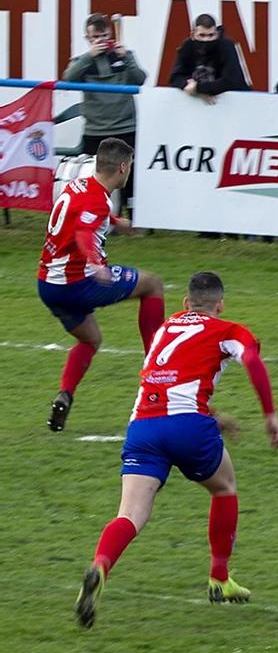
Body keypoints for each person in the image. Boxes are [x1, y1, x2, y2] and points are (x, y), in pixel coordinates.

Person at [72, 270, 278, 629]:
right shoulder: (229, 329)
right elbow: (252, 361)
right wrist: (270, 416)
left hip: (143, 426)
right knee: (224, 486)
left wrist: (214, 417)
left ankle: (101, 565)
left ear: (186, 303)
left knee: (130, 514)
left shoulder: (166, 329)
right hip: (187, 426)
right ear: (220, 305)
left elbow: (171, 382)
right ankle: (219, 578)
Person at [37, 140, 166, 433]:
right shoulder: (97, 200)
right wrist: (96, 264)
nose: (129, 172)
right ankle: (157, 370)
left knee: (90, 339)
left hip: (48, 285)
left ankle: (65, 395)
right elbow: (84, 231)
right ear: (122, 168)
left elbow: (84, 216)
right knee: (152, 284)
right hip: (78, 282)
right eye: (130, 167)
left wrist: (116, 222)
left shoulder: (79, 186)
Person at [63, 13, 146, 215]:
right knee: (95, 175)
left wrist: (125, 57)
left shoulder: (124, 56)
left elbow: (140, 79)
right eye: (94, 38)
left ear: (110, 33)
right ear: (88, 39)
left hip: (125, 126)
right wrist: (89, 55)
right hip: (96, 128)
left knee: (129, 174)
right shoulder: (82, 61)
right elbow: (68, 79)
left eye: (103, 36)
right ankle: (98, 213)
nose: (100, 41)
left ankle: (133, 217)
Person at [167, 14, 249, 103]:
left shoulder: (226, 46)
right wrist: (187, 85)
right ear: (193, 35)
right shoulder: (187, 46)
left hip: (236, 103)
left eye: (211, 35)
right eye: (202, 35)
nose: (206, 40)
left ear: (217, 34)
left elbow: (232, 81)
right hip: (199, 104)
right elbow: (175, 77)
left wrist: (199, 88)